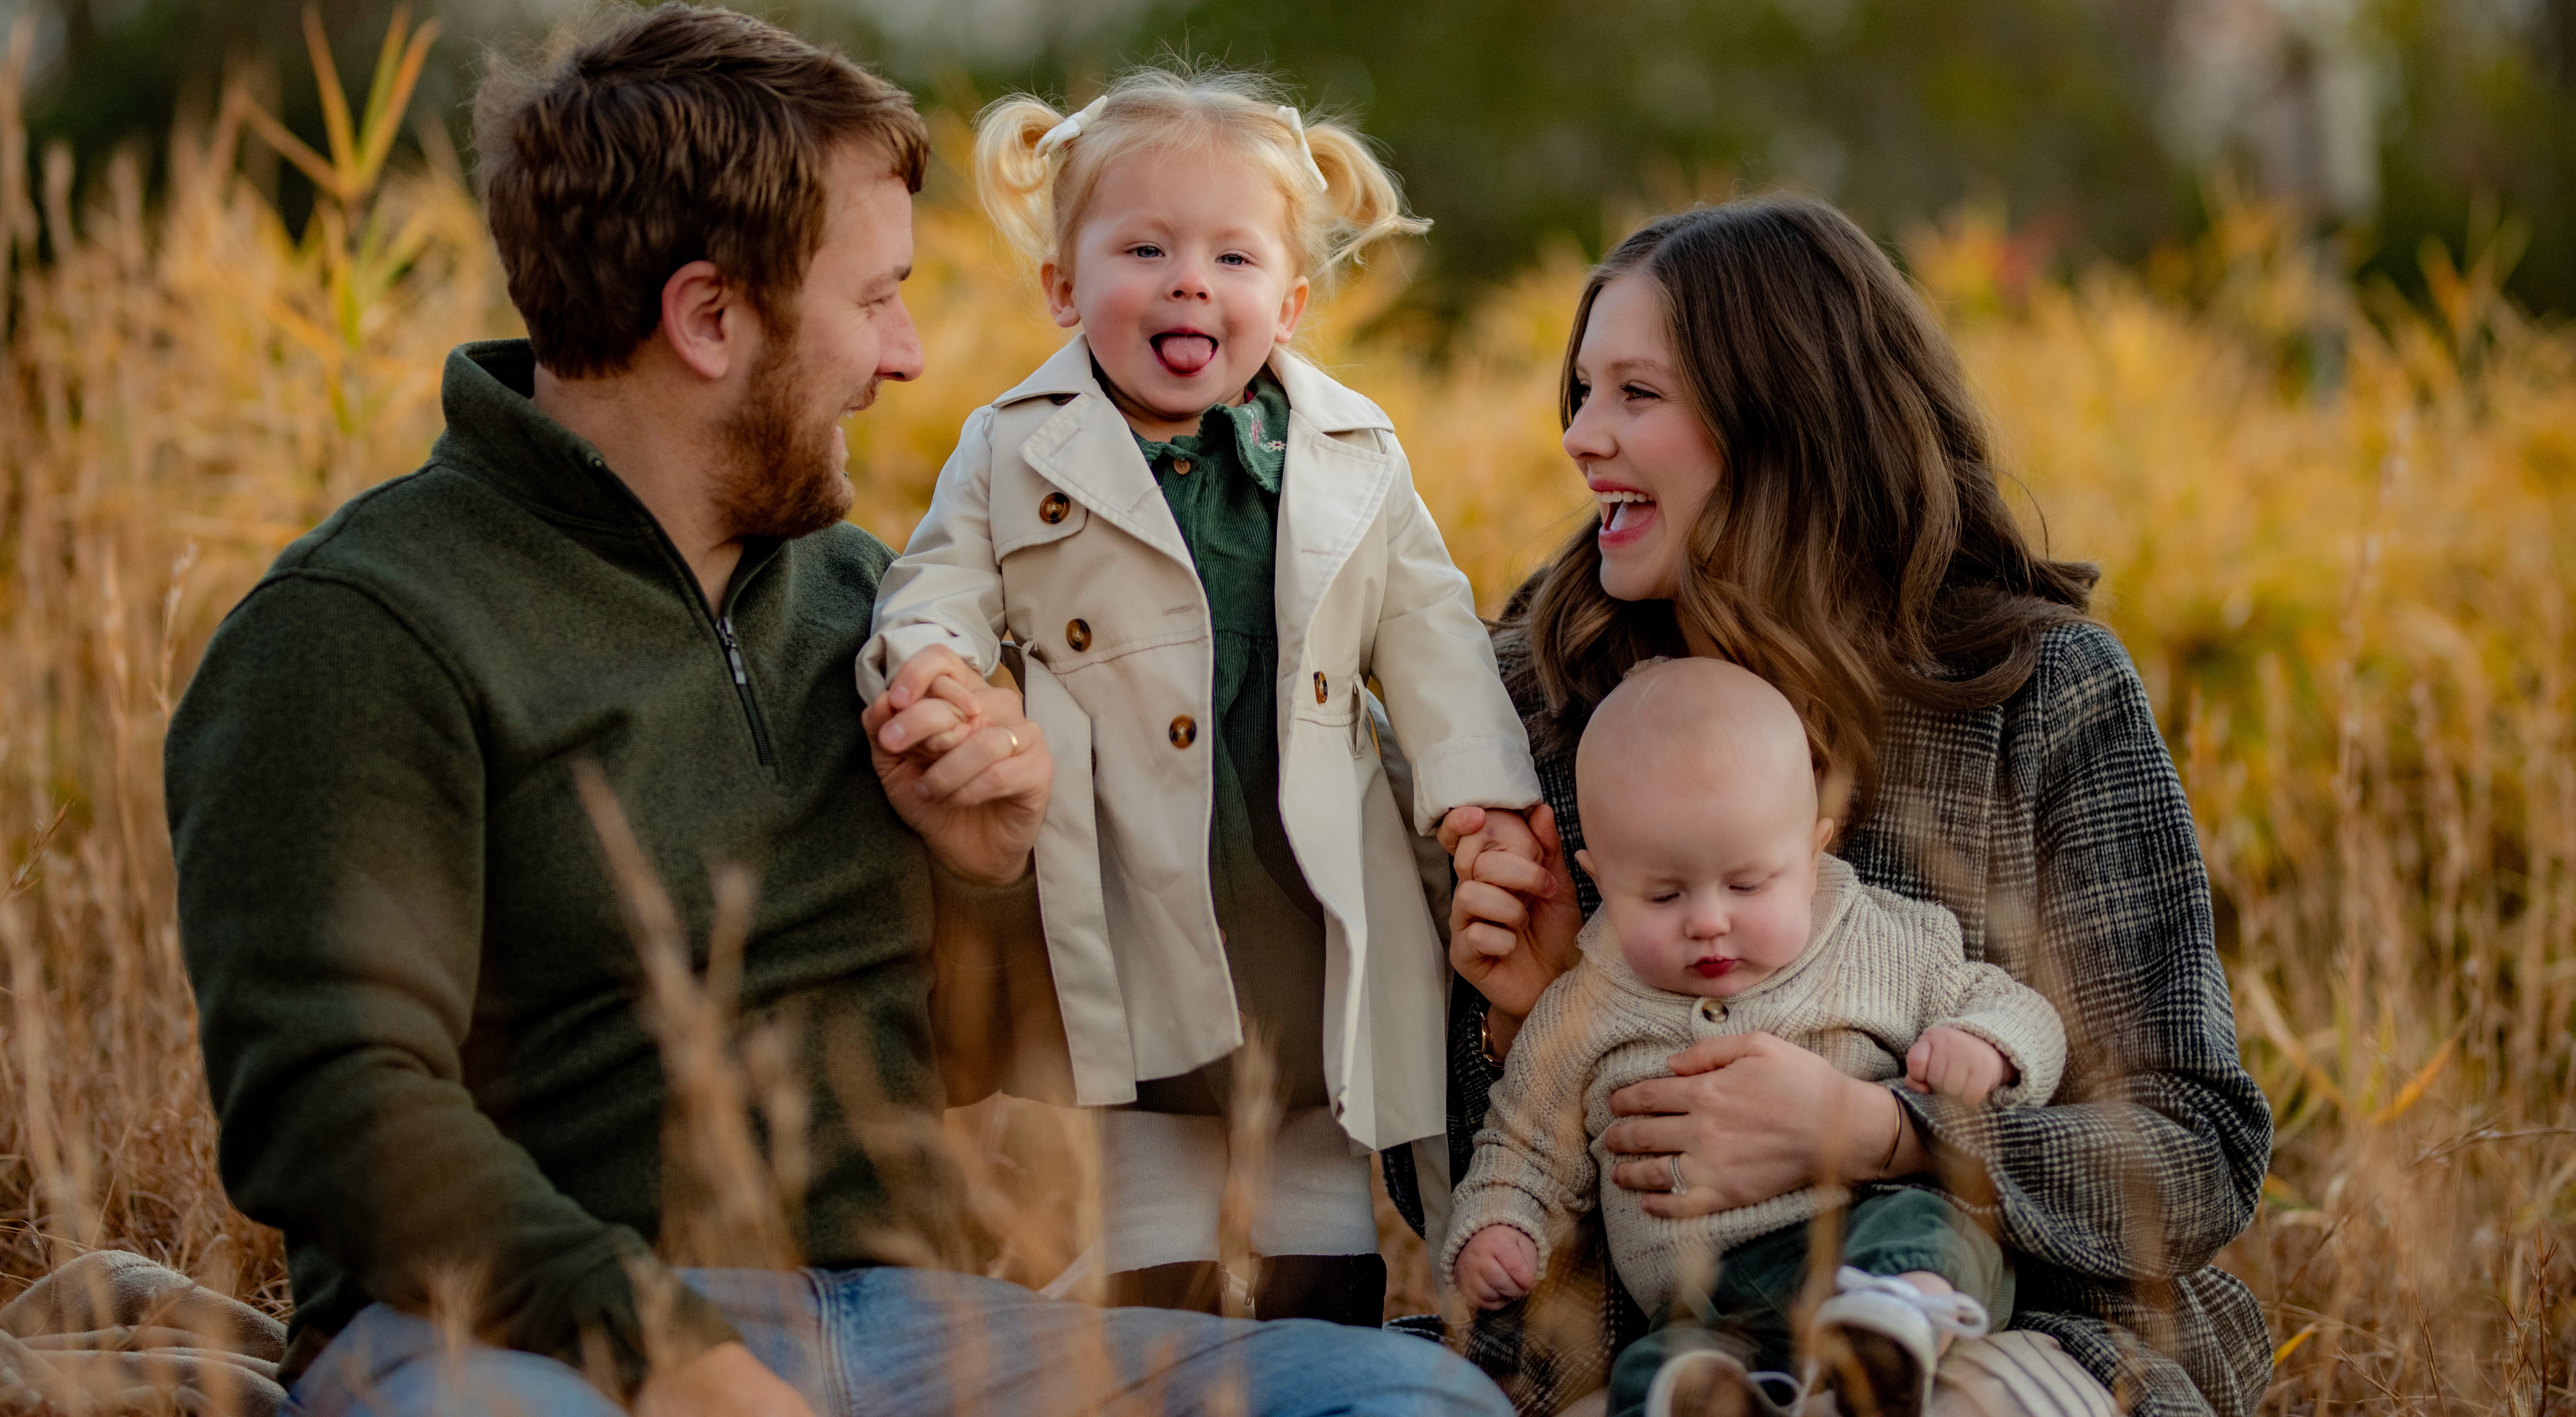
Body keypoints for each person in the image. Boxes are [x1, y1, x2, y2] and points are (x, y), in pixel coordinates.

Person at [164, 2, 1511, 1417]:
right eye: (875, 300)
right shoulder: (362, 630)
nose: (913, 355)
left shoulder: (865, 606)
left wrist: (988, 863)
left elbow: (985, 1041)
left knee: (1418, 1405)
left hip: (917, 1329)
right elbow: (328, 1102)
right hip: (525, 1342)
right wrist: (666, 1354)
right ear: (709, 319)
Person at [1432, 195, 2272, 1417]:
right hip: (1662, 1353)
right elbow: (1478, 1240)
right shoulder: (1539, 703)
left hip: (2010, 1331)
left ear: (1781, 419)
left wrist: (1885, 1134)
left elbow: (2196, 1160)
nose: (1578, 437)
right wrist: (1540, 1013)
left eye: (1635, 395)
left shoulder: (2039, 696)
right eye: (1580, 392)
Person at [861, 74, 1541, 1325]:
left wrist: (1482, 803)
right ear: (1064, 290)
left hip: (1299, 869)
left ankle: (1317, 1329)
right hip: (1130, 865)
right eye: (1144, 249)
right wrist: (934, 668)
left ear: (1282, 305)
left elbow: (1432, 634)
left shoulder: (1351, 454)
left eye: (1232, 256)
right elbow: (936, 580)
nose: (1190, 282)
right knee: (1153, 1183)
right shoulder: (1016, 447)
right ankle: (1150, 1335)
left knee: (1309, 1158)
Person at [1441, 658, 2065, 1417]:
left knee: (1935, 1224)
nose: (1709, 920)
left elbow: (2015, 1006)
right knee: (1647, 1368)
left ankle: (1891, 1328)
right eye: (1663, 894)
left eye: (1746, 885)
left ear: (1813, 853)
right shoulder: (1584, 1005)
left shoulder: (1883, 941)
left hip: (1860, 1237)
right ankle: (1708, 1397)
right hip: (1703, 1303)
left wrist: (1985, 1046)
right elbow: (1522, 1141)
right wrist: (1498, 1226)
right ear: (1599, 878)